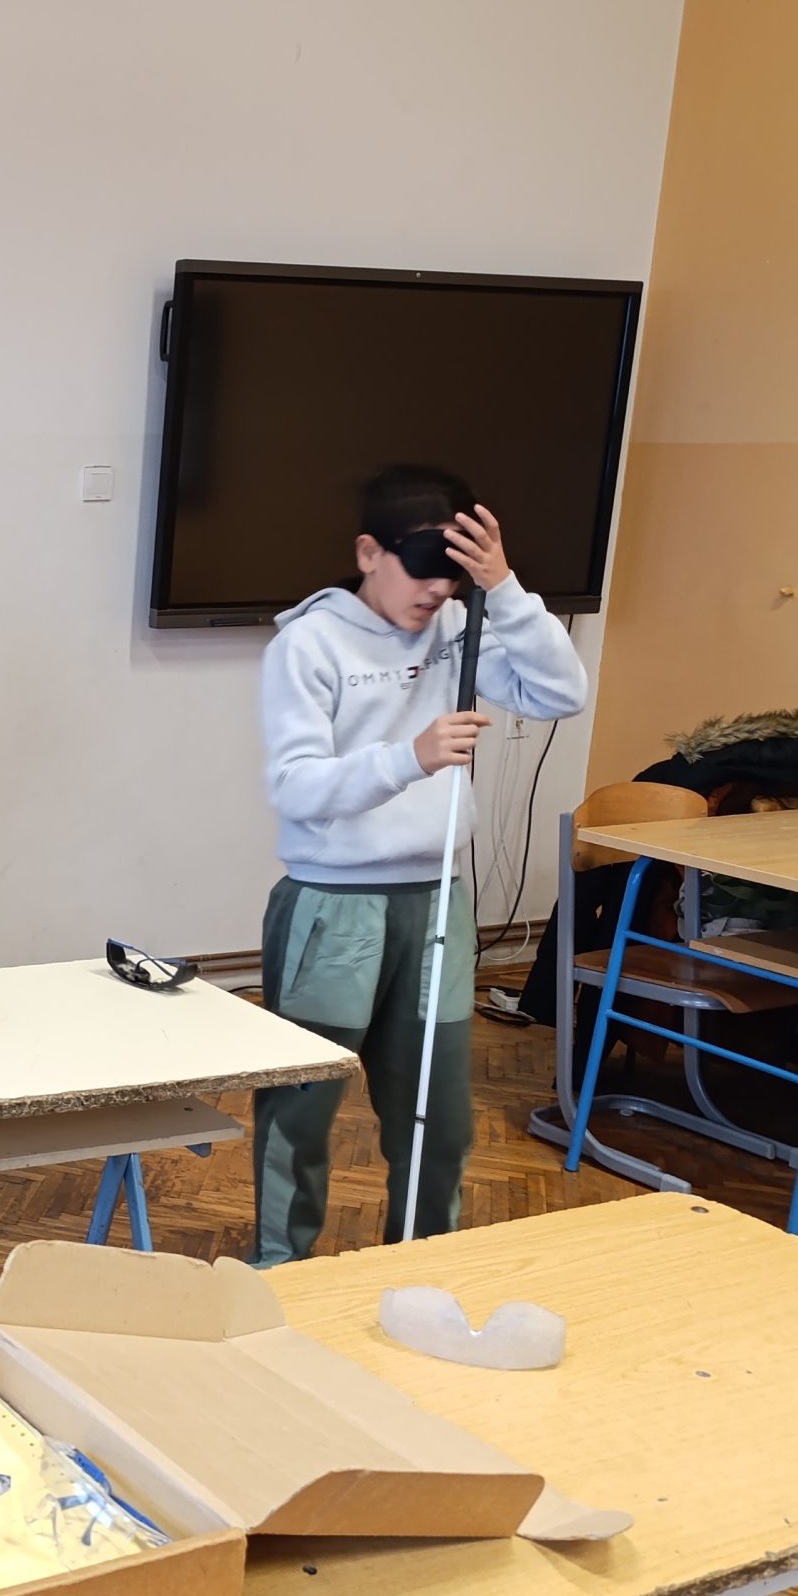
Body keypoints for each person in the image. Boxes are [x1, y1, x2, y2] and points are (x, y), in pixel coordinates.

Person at [252, 463, 588, 1264]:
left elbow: (560, 693)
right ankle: (281, 1270)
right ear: (369, 553)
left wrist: (503, 587)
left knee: (439, 1118)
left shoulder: (460, 627)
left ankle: (423, 1263)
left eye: (453, 573)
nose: (437, 589)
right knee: (302, 1107)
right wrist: (412, 757)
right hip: (333, 908)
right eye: (422, 568)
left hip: (437, 903)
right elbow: (296, 787)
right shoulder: (308, 644)